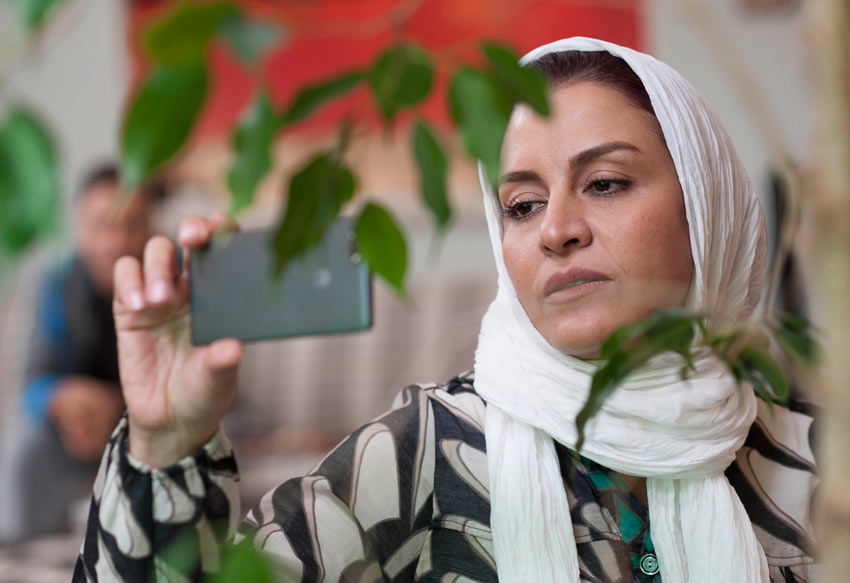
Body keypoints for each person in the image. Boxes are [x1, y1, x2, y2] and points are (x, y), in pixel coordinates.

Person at [72, 38, 817, 582]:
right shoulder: (426, 452)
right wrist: (164, 444)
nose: (556, 230)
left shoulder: (817, 459)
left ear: (706, 210)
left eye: (605, 183)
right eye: (522, 204)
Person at [0, 164, 161, 543]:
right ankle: (17, 552)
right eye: (102, 225)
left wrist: (115, 406)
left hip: (149, 426)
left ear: (151, 227)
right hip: (71, 433)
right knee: (23, 448)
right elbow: (32, 383)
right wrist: (63, 399)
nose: (116, 242)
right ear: (81, 228)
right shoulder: (56, 281)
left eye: (131, 224)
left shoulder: (170, 281)